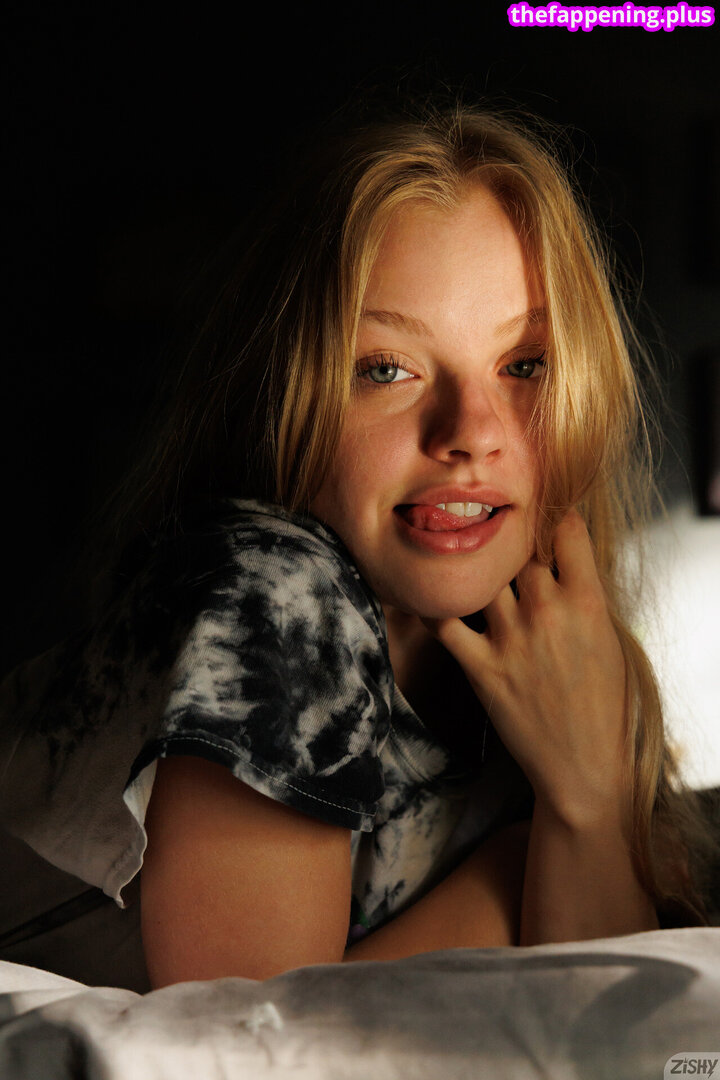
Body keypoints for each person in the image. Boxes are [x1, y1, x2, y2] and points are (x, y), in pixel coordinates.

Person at [0, 101, 714, 992]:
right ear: (286, 395)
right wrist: (512, 884)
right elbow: (252, 1041)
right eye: (387, 369)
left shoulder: (563, 672)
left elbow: (604, 1033)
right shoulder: (276, 588)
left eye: (523, 365)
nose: (471, 433)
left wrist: (589, 805)